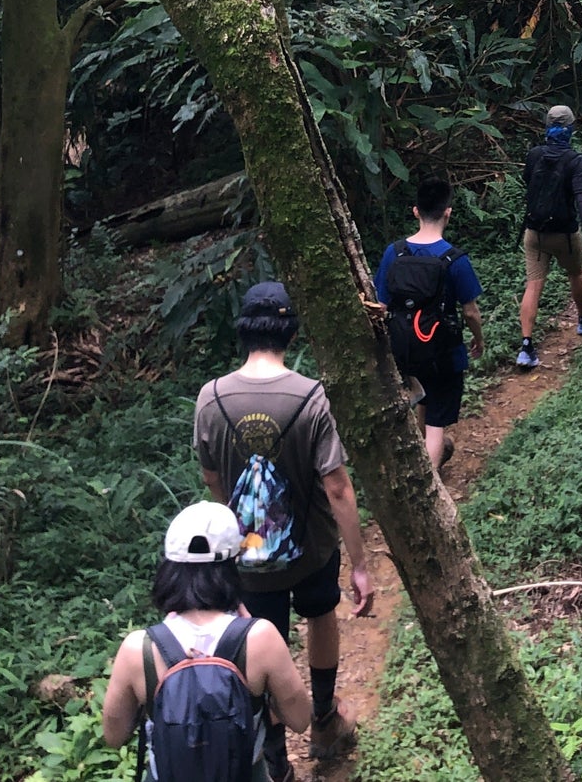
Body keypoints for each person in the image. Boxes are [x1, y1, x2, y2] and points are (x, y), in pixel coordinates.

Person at [194, 284, 375, 778]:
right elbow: (337, 488)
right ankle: (324, 722)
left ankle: (277, 761)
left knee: (259, 645)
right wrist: (360, 564)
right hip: (313, 547)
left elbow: (212, 479)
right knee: (320, 617)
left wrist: (240, 528)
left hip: (248, 555)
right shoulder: (311, 396)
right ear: (291, 333)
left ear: (244, 332)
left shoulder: (211, 398)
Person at [102, 501, 312, 782]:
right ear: (232, 565)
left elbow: (114, 736)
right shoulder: (260, 638)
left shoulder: (139, 648)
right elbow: (300, 719)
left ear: (169, 568)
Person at [375, 175, 484, 470]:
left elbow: (381, 305)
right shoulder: (455, 260)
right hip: (443, 354)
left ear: (415, 211)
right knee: (436, 425)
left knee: (422, 403)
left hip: (405, 352)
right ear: (448, 212)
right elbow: (470, 312)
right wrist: (478, 339)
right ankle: (430, 484)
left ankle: (418, 466)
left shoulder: (394, 253)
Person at [516, 104, 582, 368]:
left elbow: (528, 182)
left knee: (533, 285)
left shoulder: (534, 155)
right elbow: (581, 199)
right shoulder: (575, 160)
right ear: (571, 129)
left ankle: (526, 347)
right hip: (564, 234)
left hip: (534, 233)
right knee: (575, 274)